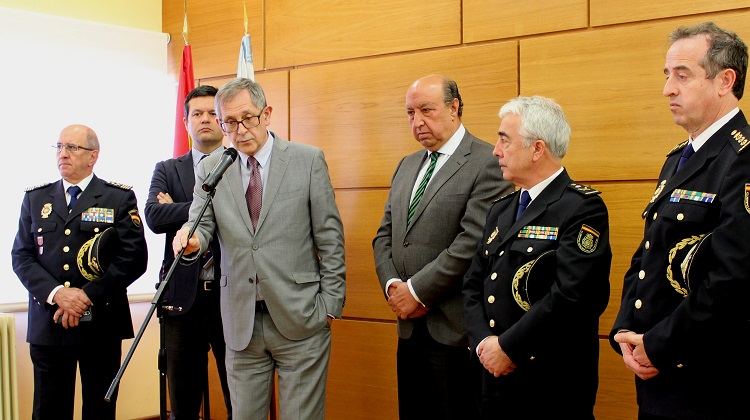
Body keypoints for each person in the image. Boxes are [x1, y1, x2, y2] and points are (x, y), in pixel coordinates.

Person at [610, 22, 750, 419]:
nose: (667, 89)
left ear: (726, 80)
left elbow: (737, 281)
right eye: (667, 75)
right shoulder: (678, 159)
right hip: (659, 381)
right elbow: (648, 254)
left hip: (712, 389)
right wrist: (626, 329)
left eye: (682, 75)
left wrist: (658, 345)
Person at [172, 77, 345, 420]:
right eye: (229, 123)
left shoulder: (306, 160)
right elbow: (201, 225)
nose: (239, 131)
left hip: (301, 315)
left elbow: (330, 238)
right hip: (240, 321)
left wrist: (330, 304)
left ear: (266, 114)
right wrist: (191, 241)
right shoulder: (211, 166)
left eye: (248, 118)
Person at [372, 74, 513, 420]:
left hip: (454, 329)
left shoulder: (487, 161)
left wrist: (417, 291)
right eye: (410, 113)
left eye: (426, 110)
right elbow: (384, 236)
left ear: (454, 108)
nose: (417, 121)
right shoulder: (407, 165)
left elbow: (472, 243)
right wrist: (394, 287)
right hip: (408, 327)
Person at [462, 96, 611, 419]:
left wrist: (508, 348)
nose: (495, 151)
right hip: (492, 378)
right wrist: (484, 344)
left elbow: (572, 296)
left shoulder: (581, 208)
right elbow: (473, 283)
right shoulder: (501, 210)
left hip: (549, 385)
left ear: (537, 149)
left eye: (504, 140)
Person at [12, 124, 148, 419]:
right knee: (49, 410)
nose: (63, 154)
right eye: (59, 147)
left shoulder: (117, 198)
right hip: (49, 321)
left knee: (100, 410)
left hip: (100, 322)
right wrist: (58, 294)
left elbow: (133, 258)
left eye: (72, 148)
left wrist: (85, 296)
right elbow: (21, 256)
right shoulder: (36, 199)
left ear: (93, 156)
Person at [145, 85, 232, 419]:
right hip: (181, 299)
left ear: (223, 121)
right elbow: (154, 217)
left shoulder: (239, 164)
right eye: (197, 114)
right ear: (186, 122)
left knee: (239, 395)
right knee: (182, 400)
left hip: (230, 296)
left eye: (213, 113)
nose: (205, 119)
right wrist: (207, 207)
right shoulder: (167, 169)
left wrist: (178, 208)